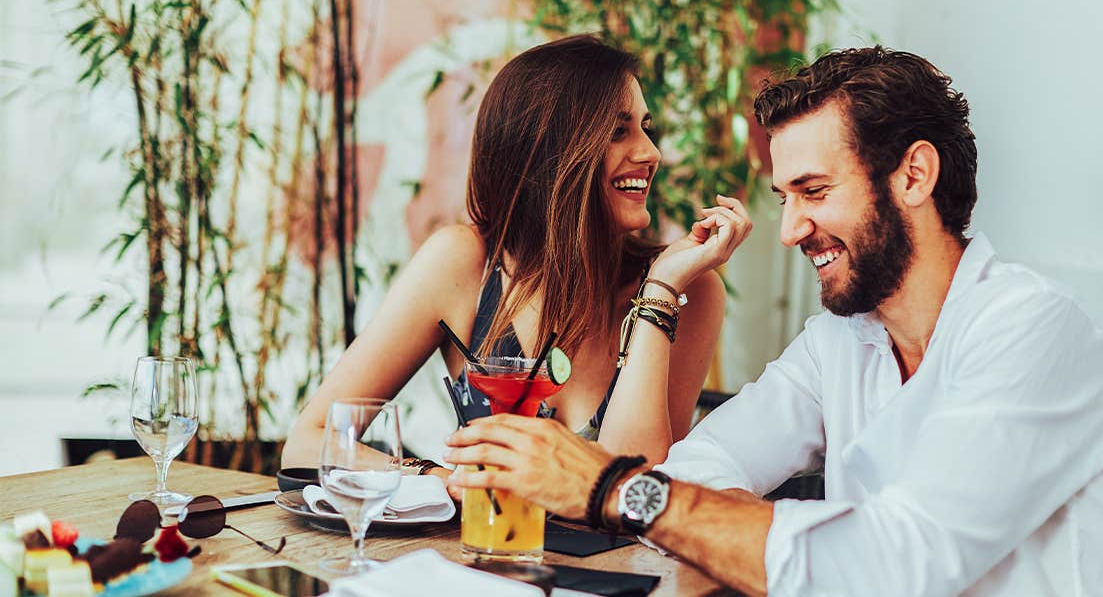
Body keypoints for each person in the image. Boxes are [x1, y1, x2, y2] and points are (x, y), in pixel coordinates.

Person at [443, 46, 1103, 596]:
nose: (791, 229)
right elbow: (698, 470)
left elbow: (901, 566)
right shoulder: (840, 340)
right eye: (783, 196)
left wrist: (615, 490)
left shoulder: (1032, 331)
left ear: (914, 176)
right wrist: (647, 499)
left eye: (813, 191)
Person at [281, 35, 751, 483]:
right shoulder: (465, 264)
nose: (651, 152)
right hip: (482, 555)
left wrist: (661, 293)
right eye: (616, 131)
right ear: (549, 150)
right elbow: (310, 440)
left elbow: (638, 491)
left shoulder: (685, 290)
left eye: (646, 129)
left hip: (615, 566)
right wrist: (437, 478)